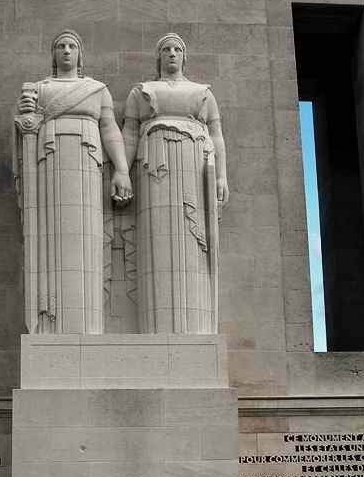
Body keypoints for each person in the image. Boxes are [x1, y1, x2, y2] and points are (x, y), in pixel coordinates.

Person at [15, 29, 131, 333]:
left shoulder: (96, 90)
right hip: (49, 166)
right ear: (53, 54)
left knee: (88, 237)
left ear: (80, 54)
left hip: (88, 164)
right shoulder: (39, 89)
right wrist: (26, 118)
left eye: (72, 46)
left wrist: (121, 170)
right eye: (61, 46)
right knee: (53, 234)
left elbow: (109, 130)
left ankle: (86, 325)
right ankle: (50, 321)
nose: (66, 50)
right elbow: (26, 130)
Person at [122, 33, 228, 333]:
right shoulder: (142, 91)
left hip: (194, 164)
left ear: (184, 56)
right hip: (154, 165)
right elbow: (129, 134)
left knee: (194, 242)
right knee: (157, 234)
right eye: (166, 49)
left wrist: (222, 175)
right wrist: (121, 172)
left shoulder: (202, 93)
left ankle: (195, 324)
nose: (171, 53)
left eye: (177, 49)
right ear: (159, 57)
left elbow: (217, 136)